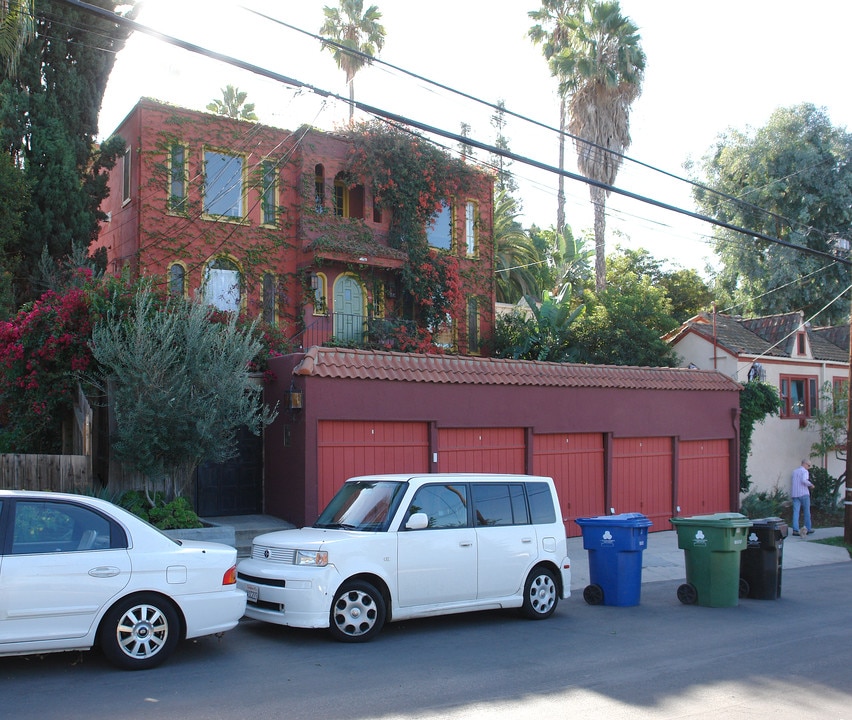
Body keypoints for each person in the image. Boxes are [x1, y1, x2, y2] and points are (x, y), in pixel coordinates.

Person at [791, 459, 815, 536]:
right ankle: (808, 528)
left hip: (795, 494)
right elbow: (804, 480)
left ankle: (795, 529)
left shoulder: (795, 471)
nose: (809, 467)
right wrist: (811, 485)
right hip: (804, 493)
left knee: (796, 512)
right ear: (804, 464)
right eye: (808, 465)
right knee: (806, 511)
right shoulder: (804, 471)